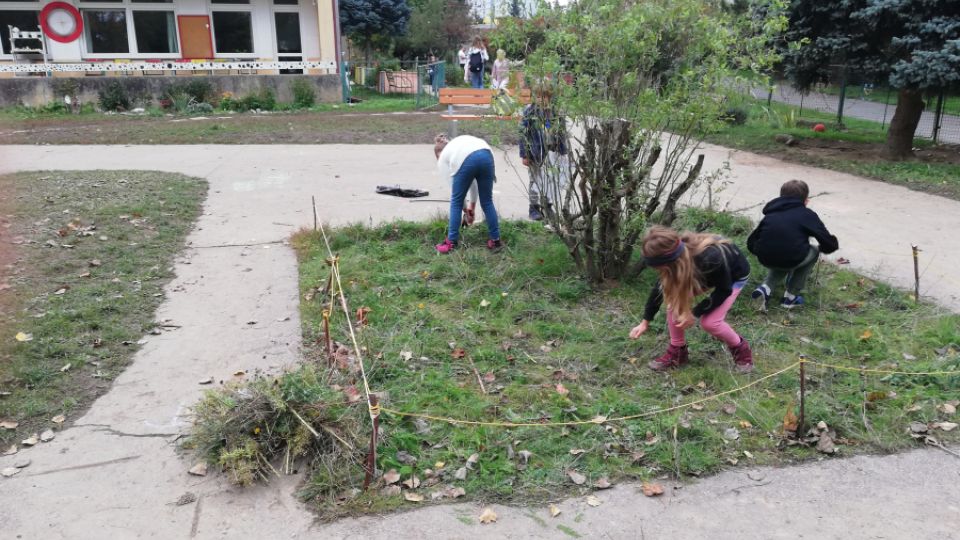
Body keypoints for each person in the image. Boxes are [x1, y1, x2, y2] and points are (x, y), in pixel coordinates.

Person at [629, 226, 754, 373]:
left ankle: (741, 350)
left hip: (733, 277)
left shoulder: (711, 258)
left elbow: (723, 290)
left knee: (711, 323)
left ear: (670, 261)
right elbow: (660, 289)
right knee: (674, 304)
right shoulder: (673, 263)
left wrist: (694, 313)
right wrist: (645, 322)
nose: (658, 271)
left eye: (659, 268)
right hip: (702, 273)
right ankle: (678, 353)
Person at [746, 179, 839, 310]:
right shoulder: (807, 215)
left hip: (765, 257)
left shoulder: (771, 213)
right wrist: (824, 248)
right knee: (809, 251)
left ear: (781, 197)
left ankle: (765, 288)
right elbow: (828, 243)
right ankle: (790, 297)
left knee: (783, 254)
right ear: (806, 200)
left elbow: (751, 241)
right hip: (791, 257)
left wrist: (762, 250)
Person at [433, 134, 502, 254]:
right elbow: (473, 182)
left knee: (456, 201)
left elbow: (458, 195)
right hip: (486, 153)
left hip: (468, 158)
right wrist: (472, 207)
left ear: (437, 155)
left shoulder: (443, 159)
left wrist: (465, 210)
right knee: (487, 201)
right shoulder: (458, 144)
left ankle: (451, 242)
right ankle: (496, 240)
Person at [520, 81, 567, 221]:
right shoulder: (529, 111)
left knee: (550, 179)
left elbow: (562, 133)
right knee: (535, 180)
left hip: (551, 153)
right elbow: (523, 134)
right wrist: (524, 154)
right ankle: (534, 208)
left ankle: (548, 206)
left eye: (544, 96)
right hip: (534, 153)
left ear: (550, 97)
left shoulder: (556, 113)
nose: (541, 99)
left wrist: (563, 152)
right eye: (538, 96)